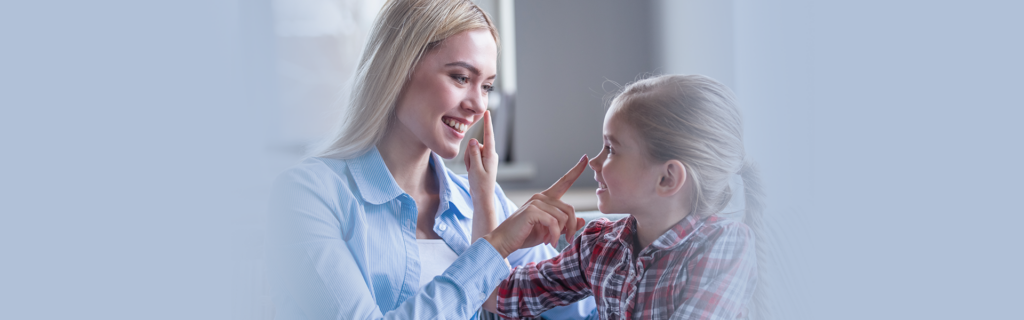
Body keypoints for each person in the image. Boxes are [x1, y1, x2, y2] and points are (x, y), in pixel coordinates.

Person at [267, 0, 596, 319]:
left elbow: (582, 312)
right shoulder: (306, 196)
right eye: (461, 78)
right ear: (400, 68)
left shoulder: (482, 200)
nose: (478, 106)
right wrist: (492, 249)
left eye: (487, 87)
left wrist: (614, 252)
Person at [483, 75, 768, 319]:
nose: (593, 162)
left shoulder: (724, 246)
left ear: (667, 178)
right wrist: (483, 193)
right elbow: (498, 295)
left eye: (611, 149)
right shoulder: (599, 246)